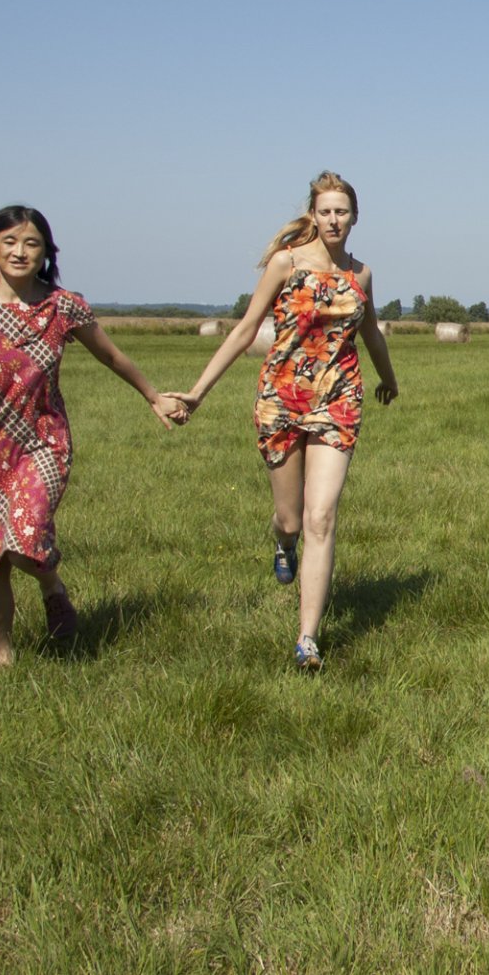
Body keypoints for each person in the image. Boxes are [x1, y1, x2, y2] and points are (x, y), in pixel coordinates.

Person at [0, 206, 186, 666]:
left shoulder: (63, 307)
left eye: (32, 243)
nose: (20, 252)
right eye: (10, 242)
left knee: (24, 541)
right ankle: (4, 657)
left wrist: (152, 396)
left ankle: (50, 584)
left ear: (46, 252)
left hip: (42, 443)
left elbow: (113, 357)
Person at [169, 172, 397, 671]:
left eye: (343, 211)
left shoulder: (361, 275)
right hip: (282, 398)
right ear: (313, 215)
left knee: (322, 517)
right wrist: (197, 393)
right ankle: (281, 541)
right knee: (293, 519)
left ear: (355, 217)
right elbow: (246, 328)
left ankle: (307, 638)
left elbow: (373, 333)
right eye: (326, 211)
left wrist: (389, 378)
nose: (334, 219)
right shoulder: (286, 263)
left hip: (339, 399)